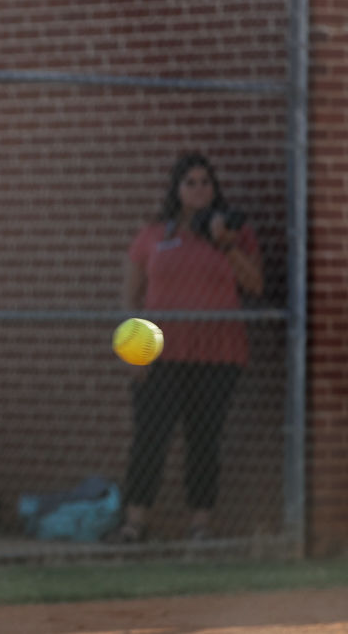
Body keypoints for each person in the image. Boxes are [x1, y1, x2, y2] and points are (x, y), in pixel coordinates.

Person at [109, 153, 264, 543]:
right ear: (176, 189)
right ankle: (135, 522)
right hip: (159, 352)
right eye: (190, 182)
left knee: (205, 439)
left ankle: (200, 525)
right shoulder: (153, 234)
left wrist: (226, 245)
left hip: (217, 353)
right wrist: (133, 351)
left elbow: (255, 285)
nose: (199, 189)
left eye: (206, 182)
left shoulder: (234, 232)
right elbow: (130, 298)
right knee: (150, 436)